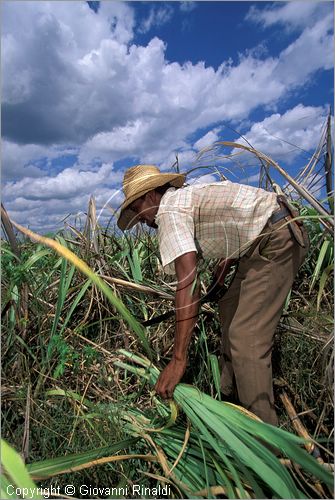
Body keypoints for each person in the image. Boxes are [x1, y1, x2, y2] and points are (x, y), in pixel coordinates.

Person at [117, 164, 309, 426]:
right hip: (266, 234)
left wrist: (178, 360)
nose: (140, 219)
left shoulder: (169, 212)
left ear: (151, 196)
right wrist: (225, 265)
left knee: (246, 338)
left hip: (275, 238)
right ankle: (230, 400)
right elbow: (235, 219)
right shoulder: (182, 199)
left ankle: (266, 443)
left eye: (137, 209)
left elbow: (187, 284)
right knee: (228, 305)